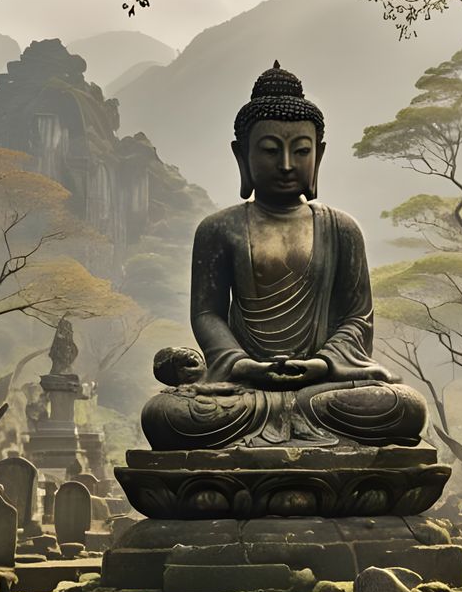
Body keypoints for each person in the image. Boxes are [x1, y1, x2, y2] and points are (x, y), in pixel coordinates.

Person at [140, 63, 428, 451]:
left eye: (301, 150)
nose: (288, 164)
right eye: (271, 151)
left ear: (318, 156)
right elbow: (207, 313)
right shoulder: (218, 229)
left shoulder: (341, 229)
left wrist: (322, 365)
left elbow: (357, 318)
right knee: (166, 416)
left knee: (401, 406)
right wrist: (243, 366)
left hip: (322, 388)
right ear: (242, 155)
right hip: (244, 388)